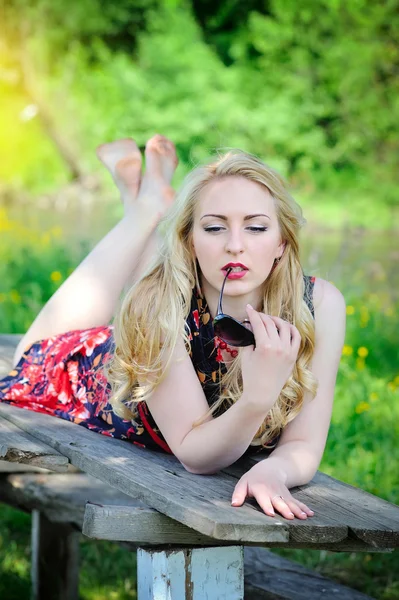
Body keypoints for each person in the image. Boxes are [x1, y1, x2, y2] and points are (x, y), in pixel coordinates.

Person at [0, 134, 346, 521]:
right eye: (214, 228)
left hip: (161, 337)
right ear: (190, 241)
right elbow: (195, 454)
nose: (235, 246)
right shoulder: (156, 306)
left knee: (157, 289)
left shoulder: (319, 306)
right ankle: (144, 210)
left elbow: (303, 442)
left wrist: (272, 469)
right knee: (29, 356)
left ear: (282, 241)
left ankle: (141, 201)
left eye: (256, 228)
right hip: (107, 382)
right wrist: (256, 398)